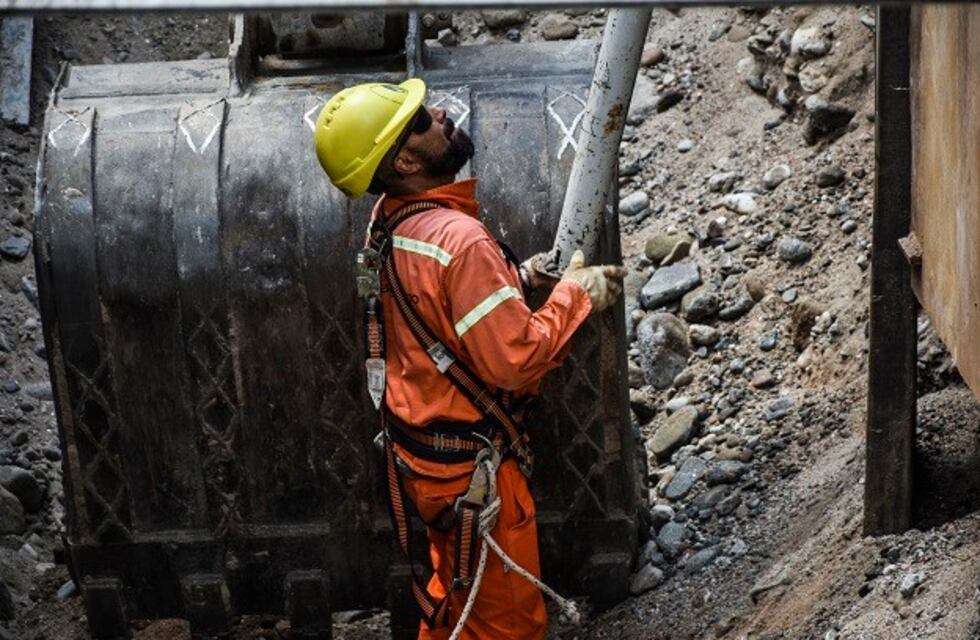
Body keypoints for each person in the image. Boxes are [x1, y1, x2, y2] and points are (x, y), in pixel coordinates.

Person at [313, 78, 626, 640]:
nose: (439, 114)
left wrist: (516, 281)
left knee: (459, 597)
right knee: (504, 625)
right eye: (421, 121)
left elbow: (432, 310)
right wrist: (576, 295)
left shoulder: (387, 225)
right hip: (474, 476)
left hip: (425, 465)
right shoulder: (460, 241)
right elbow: (516, 360)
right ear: (407, 160)